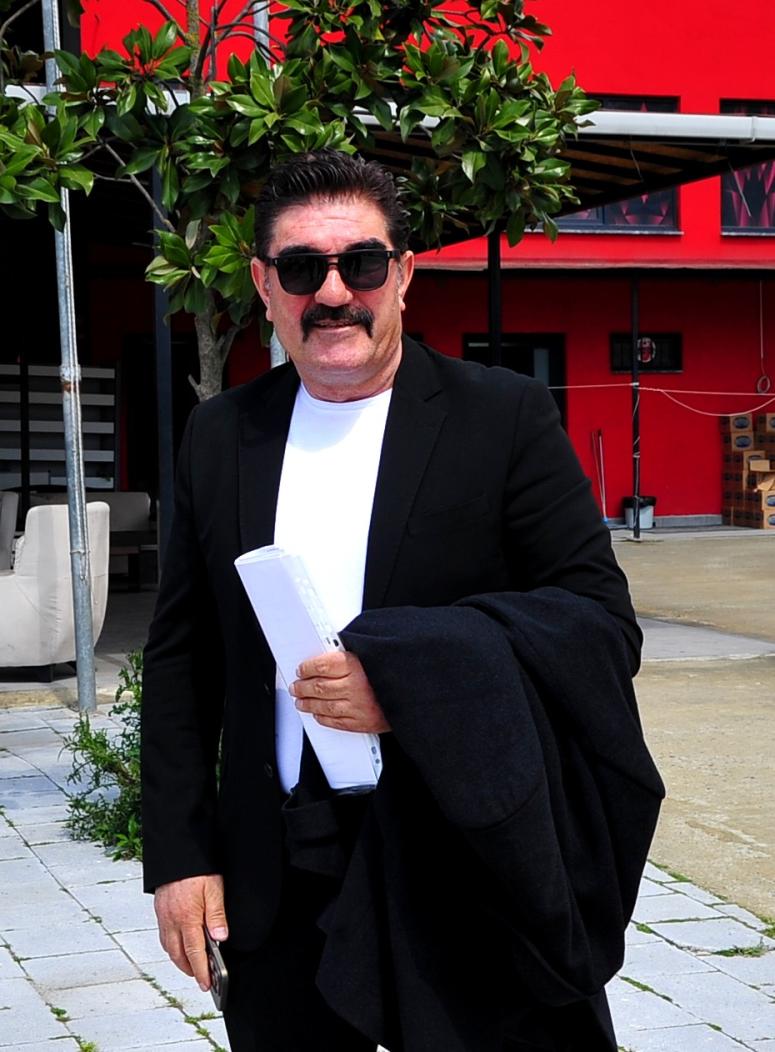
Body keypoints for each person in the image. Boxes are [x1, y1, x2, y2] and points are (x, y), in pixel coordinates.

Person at [142, 149, 662, 1052]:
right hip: (281, 869)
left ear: (404, 273)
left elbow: (599, 625)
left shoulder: (501, 417)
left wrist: (410, 682)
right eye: (301, 269)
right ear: (264, 285)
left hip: (460, 849)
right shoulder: (222, 433)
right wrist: (181, 859)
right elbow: (182, 657)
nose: (332, 292)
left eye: (361, 264)